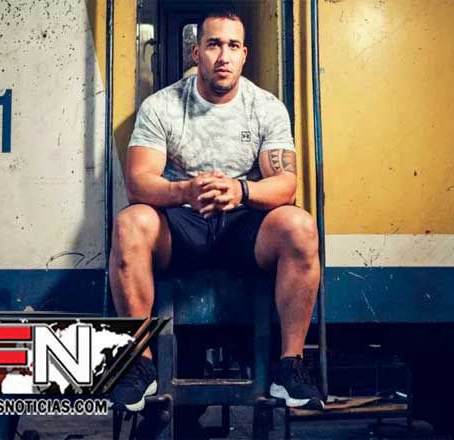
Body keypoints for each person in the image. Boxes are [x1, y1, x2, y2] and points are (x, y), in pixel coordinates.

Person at [108, 9, 323, 412]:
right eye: (213, 45)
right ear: (196, 52)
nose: (223, 56)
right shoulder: (162, 106)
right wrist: (186, 190)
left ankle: (290, 367)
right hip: (183, 221)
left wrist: (240, 190)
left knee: (300, 225)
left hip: (243, 223)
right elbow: (138, 182)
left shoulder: (266, 107)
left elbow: (286, 185)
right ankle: (140, 365)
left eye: (233, 46)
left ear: (244, 55)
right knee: (130, 224)